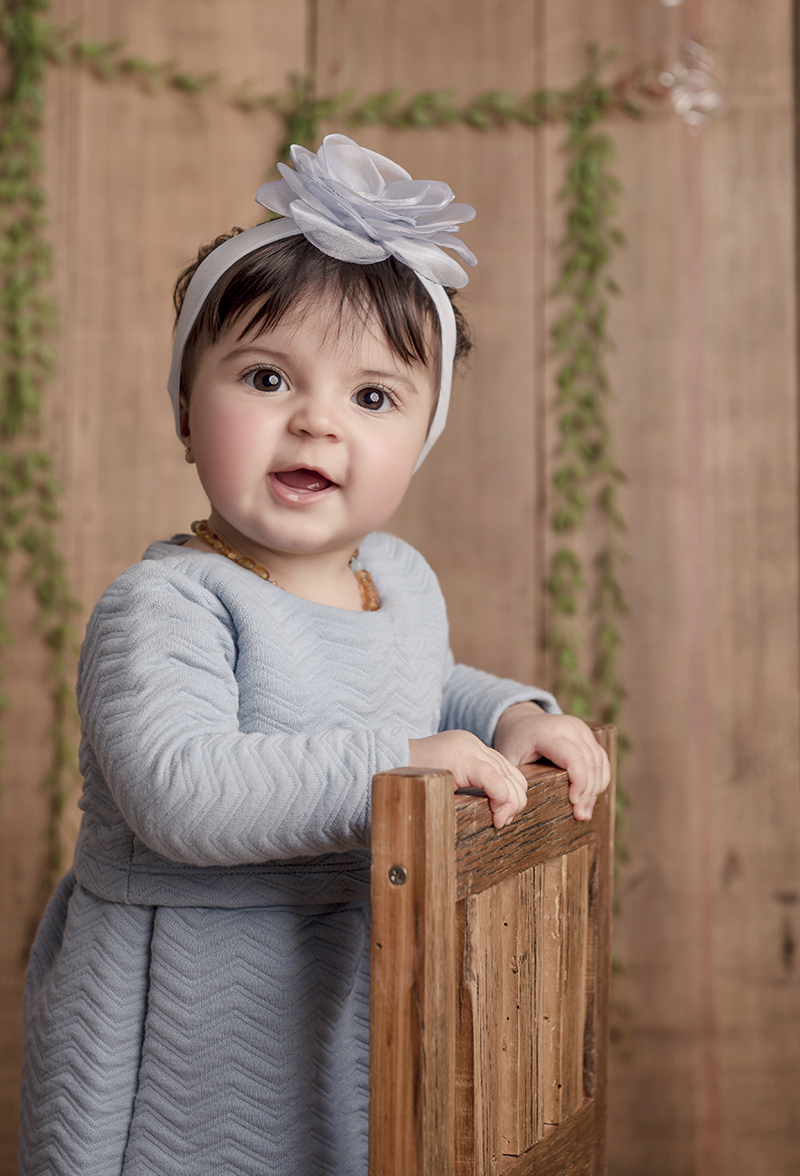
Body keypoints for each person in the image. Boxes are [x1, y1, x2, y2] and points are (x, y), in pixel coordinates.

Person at [19, 134, 610, 1175]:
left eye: (371, 397)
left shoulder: (398, 576)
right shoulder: (167, 602)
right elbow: (181, 790)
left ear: (420, 438)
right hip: (185, 1011)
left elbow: (426, 685)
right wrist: (399, 763)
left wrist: (509, 716)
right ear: (185, 410)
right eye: (263, 376)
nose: (314, 422)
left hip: (350, 971)